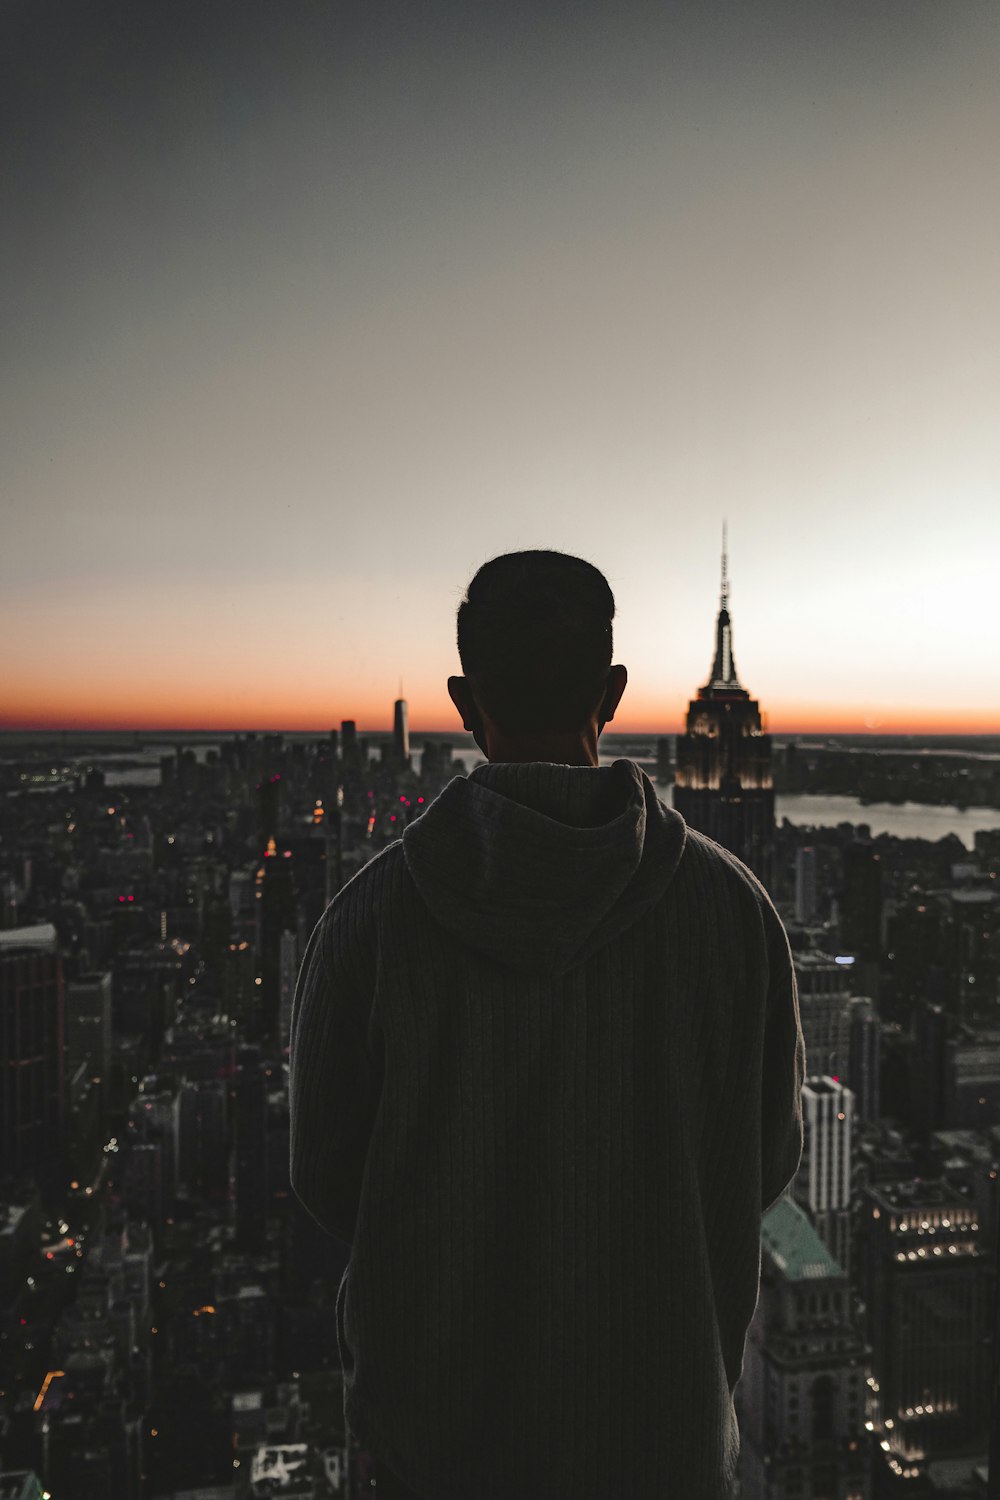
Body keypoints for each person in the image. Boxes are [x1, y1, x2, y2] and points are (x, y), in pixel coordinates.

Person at [289, 549, 805, 1500]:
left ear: (459, 698)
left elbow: (328, 1180)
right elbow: (766, 1161)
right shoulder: (735, 917)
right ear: (611, 693)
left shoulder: (367, 925)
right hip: (665, 1444)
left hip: (438, 1451)